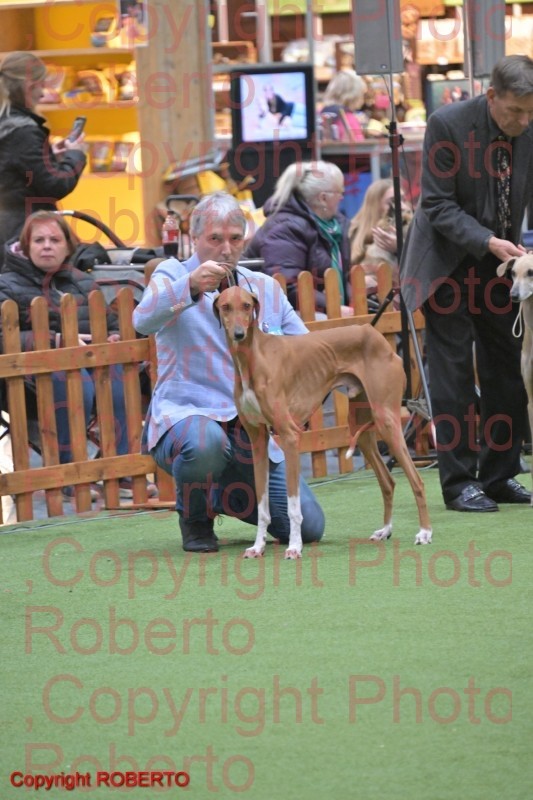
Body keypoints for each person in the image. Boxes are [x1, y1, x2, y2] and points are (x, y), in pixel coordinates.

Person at [132, 192, 325, 553]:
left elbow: (307, 351)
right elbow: (142, 321)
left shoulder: (263, 287)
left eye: (235, 238)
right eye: (215, 238)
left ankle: (219, 493)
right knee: (206, 445)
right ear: (194, 236)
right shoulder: (172, 273)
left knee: (311, 527)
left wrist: (299, 400)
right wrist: (190, 287)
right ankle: (196, 520)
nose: (226, 249)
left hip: (250, 432)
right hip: (189, 419)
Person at [400, 54, 533, 512]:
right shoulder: (447, 124)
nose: (524, 121)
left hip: (500, 266)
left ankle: (499, 474)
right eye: (516, 111)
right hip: (447, 264)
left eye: (530, 112)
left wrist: (505, 249)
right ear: (491, 96)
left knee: (507, 370)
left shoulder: (528, 128)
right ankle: (459, 483)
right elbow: (436, 205)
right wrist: (487, 240)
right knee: (453, 374)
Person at [0, 211, 135, 500]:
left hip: (89, 364)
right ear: (26, 246)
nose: (47, 246)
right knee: (73, 379)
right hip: (26, 378)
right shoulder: (5, 284)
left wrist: (113, 337)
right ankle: (68, 474)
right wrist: (56, 340)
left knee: (119, 377)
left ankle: (120, 470)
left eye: (54, 239)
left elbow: (111, 324)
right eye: (39, 240)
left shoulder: (82, 283)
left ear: (68, 247)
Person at [0, 52, 87, 268]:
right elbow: (54, 185)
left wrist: (49, 156)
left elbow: (15, 169)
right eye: (42, 85)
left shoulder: (7, 124)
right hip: (25, 231)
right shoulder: (24, 131)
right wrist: (75, 155)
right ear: (30, 87)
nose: (43, 93)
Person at [243, 160, 352, 315]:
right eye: (340, 192)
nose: (342, 197)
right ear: (323, 198)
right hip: (286, 316)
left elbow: (343, 276)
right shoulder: (284, 228)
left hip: (323, 311)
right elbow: (287, 285)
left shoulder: (334, 227)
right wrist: (332, 307)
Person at [348, 178, 412, 304]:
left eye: (403, 200)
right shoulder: (352, 233)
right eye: (393, 201)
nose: (403, 206)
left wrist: (400, 248)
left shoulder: (412, 229)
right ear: (375, 206)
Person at [320, 69, 367, 142]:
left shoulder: (321, 113)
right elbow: (359, 147)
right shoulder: (349, 119)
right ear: (355, 94)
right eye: (362, 94)